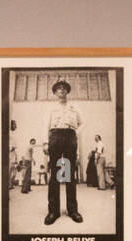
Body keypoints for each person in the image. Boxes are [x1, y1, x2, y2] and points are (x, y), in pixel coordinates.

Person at [44, 79, 83, 225]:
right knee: (55, 174)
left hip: (70, 137)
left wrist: (75, 133)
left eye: (64, 88)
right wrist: (45, 142)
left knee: (69, 174)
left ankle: (72, 210)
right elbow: (45, 125)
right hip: (55, 137)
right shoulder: (50, 108)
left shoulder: (75, 107)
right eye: (58, 88)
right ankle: (53, 211)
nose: (61, 90)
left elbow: (82, 122)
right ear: (55, 92)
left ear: (67, 91)